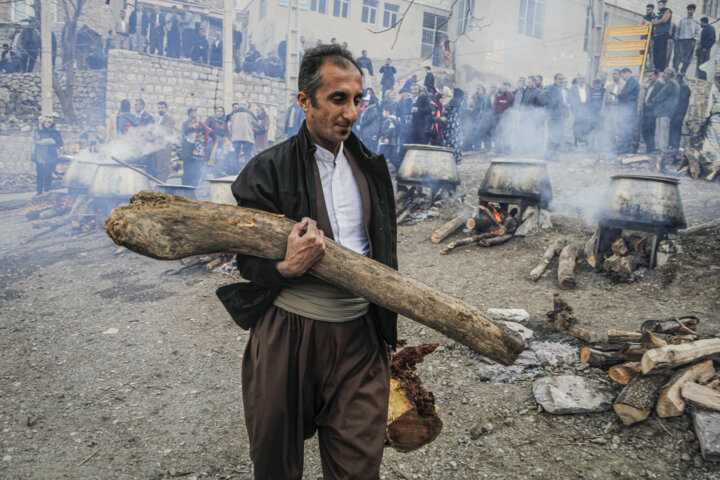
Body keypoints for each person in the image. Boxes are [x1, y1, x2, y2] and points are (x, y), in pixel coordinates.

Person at [217, 43, 397, 480]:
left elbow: (386, 253)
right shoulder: (267, 170)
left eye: (357, 100)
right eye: (338, 99)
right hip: (289, 335)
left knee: (358, 466)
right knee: (276, 464)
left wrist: (386, 332)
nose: (351, 113)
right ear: (305, 101)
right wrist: (285, 268)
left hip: (359, 336)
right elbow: (245, 261)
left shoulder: (371, 166)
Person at [32, 117, 63, 195]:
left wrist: (45, 142)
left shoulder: (55, 133)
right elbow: (35, 140)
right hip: (40, 156)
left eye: (49, 122)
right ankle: (39, 191)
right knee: (39, 174)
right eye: (45, 122)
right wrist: (34, 131)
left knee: (48, 174)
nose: (46, 123)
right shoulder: (39, 131)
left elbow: (59, 143)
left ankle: (47, 190)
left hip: (50, 156)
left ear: (51, 124)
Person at [181, 107, 210, 186]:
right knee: (187, 169)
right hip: (188, 149)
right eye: (193, 112)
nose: (195, 114)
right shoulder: (186, 124)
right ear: (189, 114)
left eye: (195, 112)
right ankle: (185, 186)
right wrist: (192, 128)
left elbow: (204, 131)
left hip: (197, 150)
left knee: (196, 170)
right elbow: (185, 131)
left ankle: (194, 186)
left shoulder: (199, 124)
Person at [653, 67, 680, 152]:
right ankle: (659, 147)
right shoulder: (672, 82)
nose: (663, 75)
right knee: (660, 130)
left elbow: (663, 94)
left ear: (669, 74)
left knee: (663, 130)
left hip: (665, 110)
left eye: (665, 73)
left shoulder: (670, 83)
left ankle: (662, 148)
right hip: (663, 110)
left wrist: (655, 99)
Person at [546, 73, 570, 160]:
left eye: (562, 79)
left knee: (559, 136)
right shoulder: (553, 89)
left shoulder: (562, 89)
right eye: (560, 79)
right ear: (555, 80)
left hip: (560, 116)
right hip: (554, 117)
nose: (561, 81)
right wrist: (564, 105)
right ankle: (550, 155)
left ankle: (553, 154)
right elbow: (553, 102)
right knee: (554, 136)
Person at [229, 101, 259, 169]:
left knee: (235, 154)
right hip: (247, 136)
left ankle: (235, 171)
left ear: (239, 105)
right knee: (247, 154)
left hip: (236, 136)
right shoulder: (249, 112)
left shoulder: (233, 112)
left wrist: (231, 133)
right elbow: (256, 122)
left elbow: (230, 125)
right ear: (245, 105)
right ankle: (247, 172)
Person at [616, 67, 640, 153]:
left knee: (627, 127)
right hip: (629, 106)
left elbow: (627, 93)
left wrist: (619, 96)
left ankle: (625, 148)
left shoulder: (632, 80)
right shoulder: (631, 80)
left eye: (623, 76)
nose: (623, 78)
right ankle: (624, 147)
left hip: (630, 106)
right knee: (626, 127)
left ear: (627, 73)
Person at [673, 4, 700, 75]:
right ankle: (675, 70)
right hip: (681, 40)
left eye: (691, 10)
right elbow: (678, 29)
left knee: (687, 57)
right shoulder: (683, 19)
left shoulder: (696, 20)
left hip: (690, 41)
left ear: (694, 11)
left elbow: (697, 31)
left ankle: (683, 71)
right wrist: (676, 38)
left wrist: (694, 39)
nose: (689, 11)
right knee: (678, 56)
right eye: (688, 10)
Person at [153, 101, 175, 182]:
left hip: (164, 146)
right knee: (158, 166)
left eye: (162, 108)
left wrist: (155, 133)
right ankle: (159, 182)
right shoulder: (158, 119)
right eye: (159, 108)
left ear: (166, 108)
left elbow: (167, 131)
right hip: (158, 146)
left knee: (163, 166)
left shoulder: (169, 119)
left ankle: (162, 184)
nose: (160, 110)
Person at [569, 74, 591, 148]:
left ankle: (586, 144)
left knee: (586, 127)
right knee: (577, 127)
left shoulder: (588, 88)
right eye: (579, 79)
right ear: (577, 80)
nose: (581, 80)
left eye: (583, 79)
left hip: (586, 109)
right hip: (577, 110)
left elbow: (590, 100)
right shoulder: (573, 89)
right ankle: (575, 144)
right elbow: (571, 100)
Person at [669, 73, 691, 148]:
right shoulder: (679, 86)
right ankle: (671, 144)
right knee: (672, 128)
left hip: (679, 112)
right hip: (675, 111)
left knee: (676, 129)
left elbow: (681, 101)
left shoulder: (684, 88)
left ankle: (675, 145)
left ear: (679, 78)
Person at [641, 70, 661, 153]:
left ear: (656, 76)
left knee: (650, 129)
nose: (649, 77)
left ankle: (651, 148)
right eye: (649, 76)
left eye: (651, 76)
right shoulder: (649, 86)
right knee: (644, 129)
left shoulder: (660, 86)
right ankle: (648, 147)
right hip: (645, 109)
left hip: (652, 110)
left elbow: (659, 98)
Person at [492, 83, 515, 154]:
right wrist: (495, 115)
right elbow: (494, 107)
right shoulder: (498, 97)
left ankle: (507, 149)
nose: (503, 90)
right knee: (497, 133)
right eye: (502, 88)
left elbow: (512, 102)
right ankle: (498, 149)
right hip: (498, 117)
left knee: (506, 133)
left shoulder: (510, 96)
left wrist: (509, 92)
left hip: (506, 117)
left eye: (505, 89)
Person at [444, 88, 465, 163]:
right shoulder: (461, 101)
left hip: (451, 121)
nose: (451, 94)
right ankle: (457, 157)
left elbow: (447, 111)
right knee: (457, 140)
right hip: (457, 122)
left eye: (453, 92)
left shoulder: (453, 101)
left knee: (450, 140)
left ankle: (451, 157)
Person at [652, 0, 673, 71]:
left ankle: (660, 69)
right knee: (655, 53)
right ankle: (656, 68)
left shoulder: (667, 11)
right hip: (657, 36)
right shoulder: (659, 14)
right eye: (658, 5)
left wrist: (654, 23)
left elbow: (664, 20)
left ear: (664, 4)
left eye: (660, 5)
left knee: (661, 53)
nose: (659, 6)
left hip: (663, 35)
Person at [378, 103, 400, 169]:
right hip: (389, 142)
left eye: (383, 111)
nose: (382, 113)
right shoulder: (389, 119)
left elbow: (391, 129)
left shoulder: (389, 119)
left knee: (380, 156)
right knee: (391, 158)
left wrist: (387, 137)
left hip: (388, 142)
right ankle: (399, 168)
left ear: (388, 112)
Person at [643, 4, 657, 71]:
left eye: (649, 9)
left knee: (651, 53)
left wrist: (649, 24)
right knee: (643, 52)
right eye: (646, 9)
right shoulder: (645, 17)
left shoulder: (655, 17)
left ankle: (650, 69)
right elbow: (642, 25)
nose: (647, 11)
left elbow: (654, 26)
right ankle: (643, 67)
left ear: (652, 9)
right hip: (644, 36)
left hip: (651, 37)